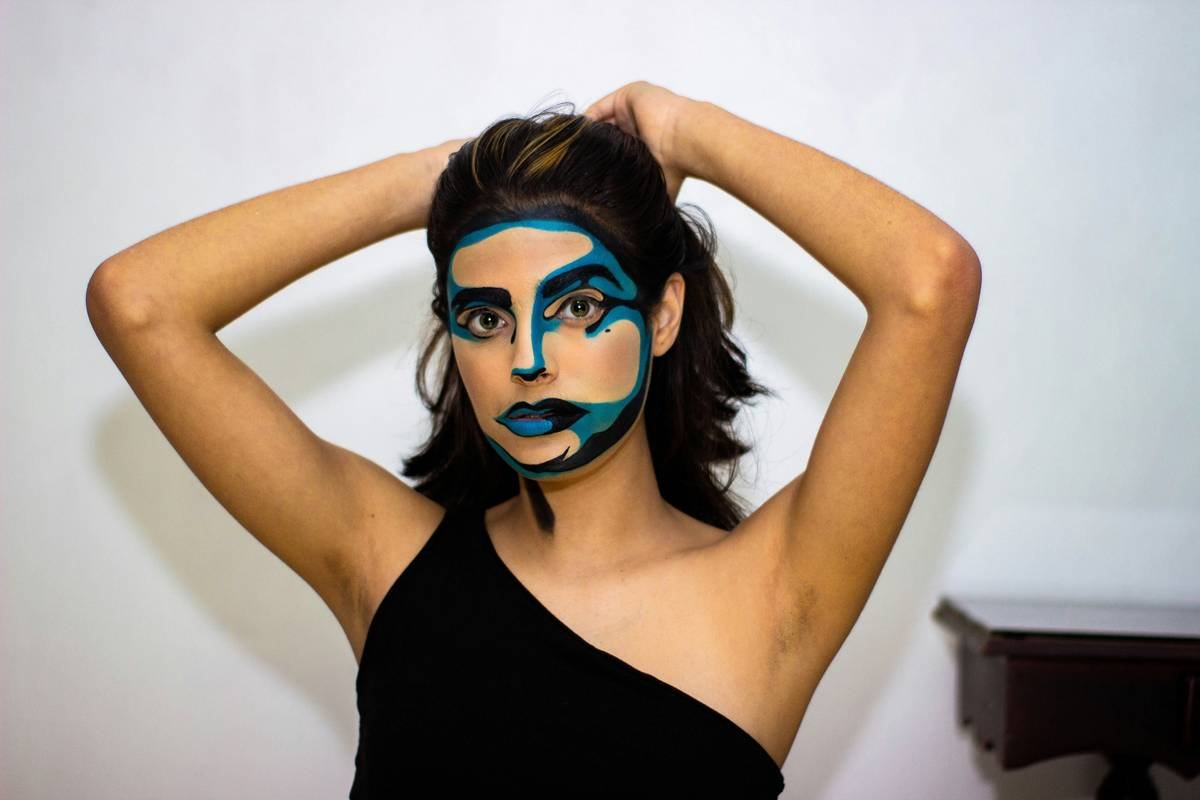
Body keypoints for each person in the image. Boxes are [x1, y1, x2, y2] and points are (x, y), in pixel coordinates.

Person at [86, 80, 980, 797]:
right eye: (485, 315)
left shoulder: (775, 592)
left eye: (580, 306)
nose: (528, 359)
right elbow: (139, 301)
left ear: (662, 314)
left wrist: (686, 131)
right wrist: (432, 179)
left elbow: (930, 282)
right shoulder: (383, 560)